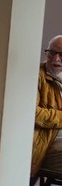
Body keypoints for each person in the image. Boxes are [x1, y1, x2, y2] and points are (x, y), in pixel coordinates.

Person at [32, 36, 62, 175]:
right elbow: (32, 113)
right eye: (52, 52)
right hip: (47, 143)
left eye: (61, 55)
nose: (56, 59)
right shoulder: (35, 76)